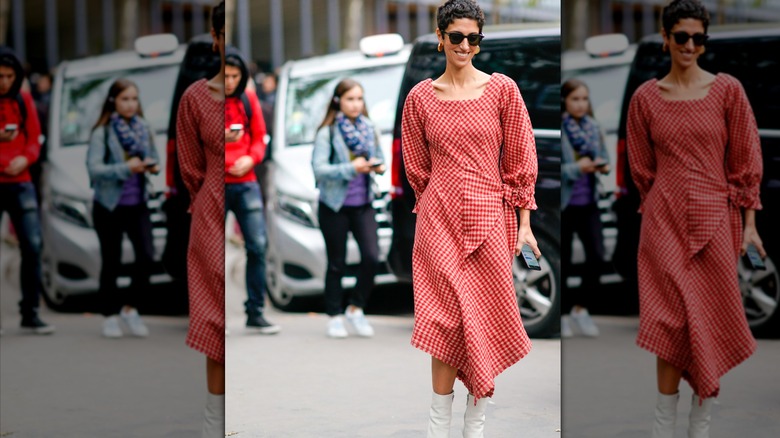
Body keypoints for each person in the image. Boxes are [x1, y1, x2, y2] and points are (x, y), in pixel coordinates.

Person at [401, 1, 539, 436]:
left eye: (473, 38)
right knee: (443, 320)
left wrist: (524, 226)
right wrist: (441, 201)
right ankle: (438, 424)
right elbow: (417, 170)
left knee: (483, 318)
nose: (465, 45)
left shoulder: (503, 90)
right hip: (437, 223)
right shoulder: (419, 98)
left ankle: (475, 423)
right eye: (457, 37)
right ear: (441, 38)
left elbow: (520, 162)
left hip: (491, 221)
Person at [626, 1, 763, 436]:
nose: (690, 45)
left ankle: (700, 425)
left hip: (717, 222)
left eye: (698, 38)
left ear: (704, 42)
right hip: (662, 224)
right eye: (682, 37)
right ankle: (663, 425)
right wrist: (664, 202)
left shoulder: (728, 91)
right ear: (666, 39)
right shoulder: (645, 98)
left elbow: (745, 163)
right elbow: (642, 171)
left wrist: (750, 226)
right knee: (669, 321)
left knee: (709, 319)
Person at [176, 2, 226, 435]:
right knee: (214, 319)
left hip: (244, 203)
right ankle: (214, 422)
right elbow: (189, 167)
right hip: (210, 210)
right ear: (214, 38)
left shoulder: (247, 98)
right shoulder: (194, 98)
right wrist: (209, 195)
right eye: (224, 34)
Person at [311, 78, 385, 339]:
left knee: (372, 257)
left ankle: (356, 308)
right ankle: (334, 316)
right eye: (350, 99)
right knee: (337, 264)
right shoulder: (328, 132)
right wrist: (350, 168)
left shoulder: (369, 128)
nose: (355, 104)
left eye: (359, 99)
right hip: (335, 206)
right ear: (338, 101)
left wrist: (378, 166)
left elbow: (381, 159)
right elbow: (319, 169)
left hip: (363, 203)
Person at [86, 78, 159, 338]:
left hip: (137, 203)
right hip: (110, 205)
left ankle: (130, 309)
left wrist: (152, 166)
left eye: (134, 99)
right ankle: (109, 315)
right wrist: (125, 168)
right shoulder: (103, 132)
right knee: (112, 262)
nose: (130, 104)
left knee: (147, 257)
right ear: (113, 101)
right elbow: (94, 169)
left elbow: (155, 157)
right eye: (124, 99)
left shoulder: (143, 127)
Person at [224, 46, 279, 334]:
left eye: (235, 76)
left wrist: (251, 158)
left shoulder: (248, 99)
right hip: (217, 185)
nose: (229, 82)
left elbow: (260, 137)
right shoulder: (206, 101)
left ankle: (255, 311)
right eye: (225, 76)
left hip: (246, 182)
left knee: (257, 246)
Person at [0, 46, 53, 335]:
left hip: (21, 181)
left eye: (10, 76)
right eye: (0, 76)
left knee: (32, 245)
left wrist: (26, 158)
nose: (5, 82)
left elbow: (35, 137)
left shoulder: (24, 99)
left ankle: (30, 312)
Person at [560, 78, 610, 338]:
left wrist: (602, 166)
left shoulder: (593, 127)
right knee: (565, 262)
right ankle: (562, 315)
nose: (580, 104)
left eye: (584, 99)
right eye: (575, 99)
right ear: (565, 101)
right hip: (566, 204)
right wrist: (577, 168)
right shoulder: (562, 129)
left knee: (597, 257)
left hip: (589, 202)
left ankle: (580, 309)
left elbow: (606, 160)